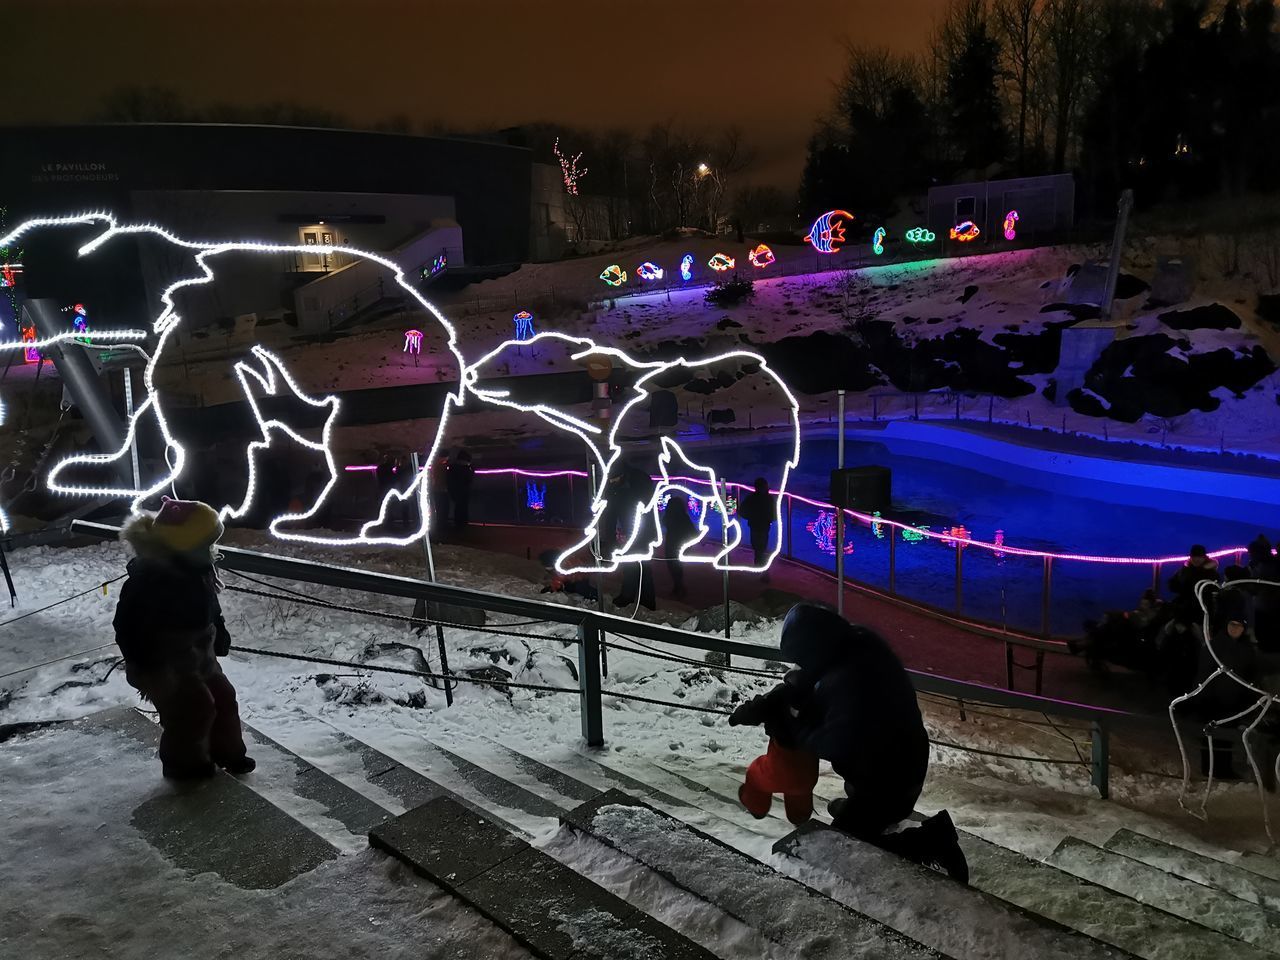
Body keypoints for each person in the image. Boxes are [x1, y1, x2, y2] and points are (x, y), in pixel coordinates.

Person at [735, 602, 968, 882]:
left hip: (892, 784)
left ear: (813, 650)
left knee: (845, 851)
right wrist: (770, 703)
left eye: (802, 658)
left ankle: (933, 839)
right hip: (897, 762)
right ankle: (859, 812)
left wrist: (790, 727)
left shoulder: (849, 683)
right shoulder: (852, 643)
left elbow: (831, 742)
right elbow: (804, 682)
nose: (801, 666)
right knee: (856, 817)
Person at [113, 498, 253, 780]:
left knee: (224, 697)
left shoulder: (197, 568)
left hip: (199, 654)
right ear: (184, 545)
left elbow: (210, 608)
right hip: (164, 662)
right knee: (193, 711)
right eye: (207, 542)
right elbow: (126, 626)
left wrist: (219, 631)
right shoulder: (148, 582)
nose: (212, 549)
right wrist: (149, 665)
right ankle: (185, 766)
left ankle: (228, 751)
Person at [729, 669, 820, 825]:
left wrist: (736, 717)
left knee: (755, 773)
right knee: (800, 789)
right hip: (809, 769)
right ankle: (800, 816)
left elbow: (755, 709)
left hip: (781, 763)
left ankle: (756, 807)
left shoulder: (782, 694)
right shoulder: (822, 695)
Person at [662, 492, 698, 600]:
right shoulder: (683, 517)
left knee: (673, 566)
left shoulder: (668, 517)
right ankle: (678, 586)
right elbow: (692, 531)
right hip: (680, 544)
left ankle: (678, 587)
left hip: (671, 543)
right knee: (677, 566)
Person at [737, 477, 775, 579]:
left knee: (758, 548)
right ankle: (762, 570)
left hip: (755, 525)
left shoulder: (752, 498)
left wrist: (751, 517)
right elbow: (774, 514)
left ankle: (760, 569)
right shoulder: (769, 498)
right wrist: (769, 519)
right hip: (763, 526)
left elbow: (741, 510)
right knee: (761, 548)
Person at [447, 449, 475, 529]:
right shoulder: (466, 469)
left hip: (455, 491)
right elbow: (469, 479)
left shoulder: (452, 468)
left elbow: (450, 480)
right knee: (463, 508)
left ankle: (458, 524)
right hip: (464, 491)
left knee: (458, 508)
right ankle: (463, 524)